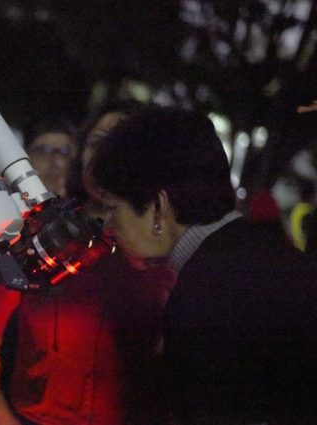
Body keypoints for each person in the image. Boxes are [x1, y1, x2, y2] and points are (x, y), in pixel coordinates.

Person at [85, 105, 317, 424]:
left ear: (157, 207)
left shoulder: (202, 301)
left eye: (113, 209)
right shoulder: (264, 250)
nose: (109, 226)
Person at [0, 108, 172, 425]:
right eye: (98, 142)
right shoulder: (42, 231)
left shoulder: (164, 237)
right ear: (80, 154)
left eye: (123, 142)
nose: (109, 155)